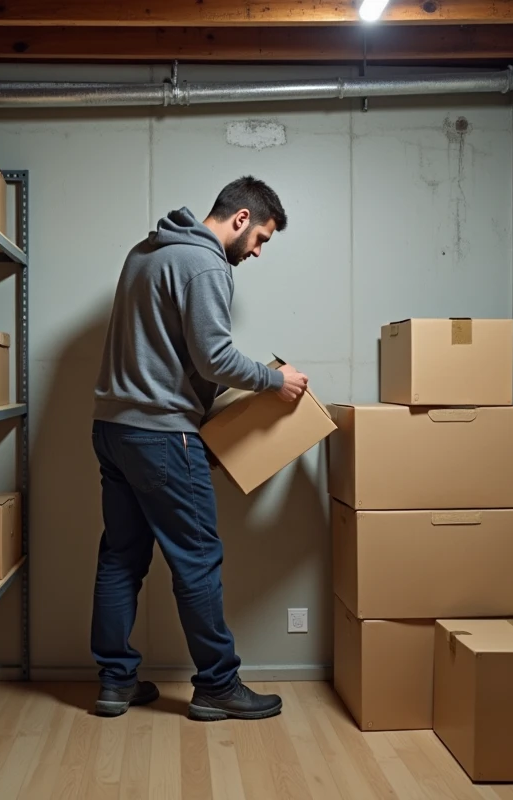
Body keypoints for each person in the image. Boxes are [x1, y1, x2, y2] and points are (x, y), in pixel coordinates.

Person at [90, 176, 309, 721]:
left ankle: (115, 683)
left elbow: (166, 353)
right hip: (161, 435)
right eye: (260, 239)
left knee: (121, 558)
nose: (256, 252)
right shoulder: (204, 263)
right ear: (241, 218)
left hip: (113, 429)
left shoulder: (145, 252)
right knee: (197, 562)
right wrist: (275, 381)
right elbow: (214, 358)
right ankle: (218, 685)